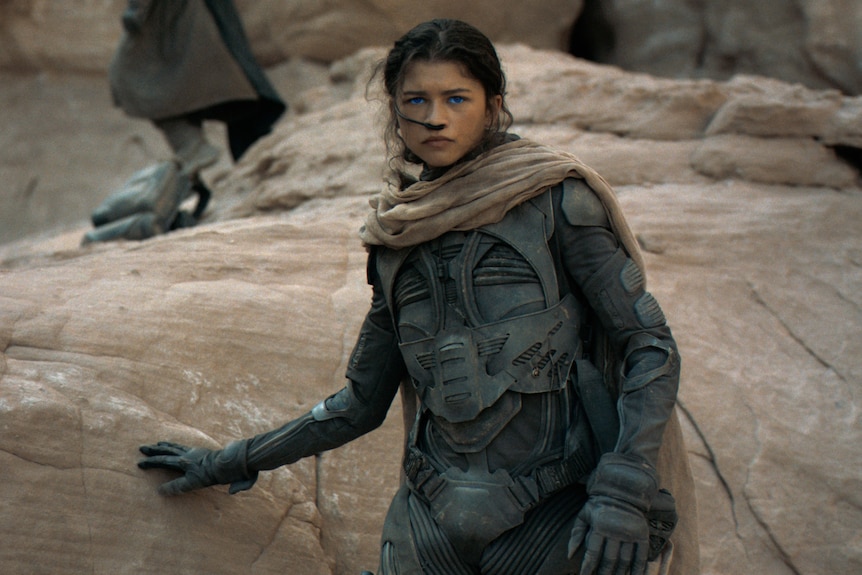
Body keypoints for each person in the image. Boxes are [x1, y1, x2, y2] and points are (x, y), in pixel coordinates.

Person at [138, 19, 695, 575]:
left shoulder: (556, 202)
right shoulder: (396, 235)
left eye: (457, 98)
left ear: (493, 105)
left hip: (557, 517)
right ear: (394, 110)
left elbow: (649, 346)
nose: (435, 117)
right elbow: (359, 403)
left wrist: (624, 488)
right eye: (416, 100)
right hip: (425, 524)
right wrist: (229, 460)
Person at [83, 0, 286, 243]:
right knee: (228, 89)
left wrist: (137, 11)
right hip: (189, 14)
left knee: (126, 73)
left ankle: (194, 147)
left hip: (179, 14)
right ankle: (204, 154)